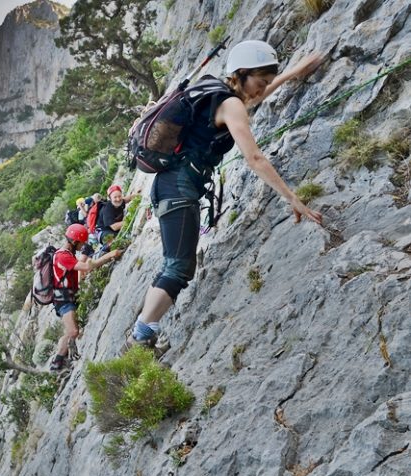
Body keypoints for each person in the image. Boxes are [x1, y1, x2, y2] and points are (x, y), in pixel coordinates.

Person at [129, 41, 324, 349]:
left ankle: (143, 330)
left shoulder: (218, 95)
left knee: (176, 265)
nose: (264, 88)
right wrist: (292, 197)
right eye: (262, 81)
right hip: (179, 189)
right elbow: (255, 158)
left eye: (268, 82)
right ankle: (141, 336)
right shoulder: (229, 104)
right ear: (243, 74)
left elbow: (250, 103)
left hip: (173, 185)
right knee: (178, 267)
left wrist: (292, 74)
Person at [50, 224, 123, 372]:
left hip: (68, 298)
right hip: (63, 301)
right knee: (73, 331)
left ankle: (60, 360)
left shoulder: (67, 254)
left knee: (71, 331)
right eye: (82, 242)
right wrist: (110, 255)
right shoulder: (63, 256)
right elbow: (87, 267)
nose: (83, 245)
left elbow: (79, 269)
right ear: (75, 241)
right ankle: (57, 364)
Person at [96, 185, 139, 251]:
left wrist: (137, 194)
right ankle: (106, 248)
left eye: (119, 196)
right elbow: (114, 227)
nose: (118, 199)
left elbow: (128, 198)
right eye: (115, 197)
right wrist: (130, 219)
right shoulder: (107, 209)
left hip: (113, 230)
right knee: (118, 241)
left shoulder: (120, 201)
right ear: (110, 199)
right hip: (103, 232)